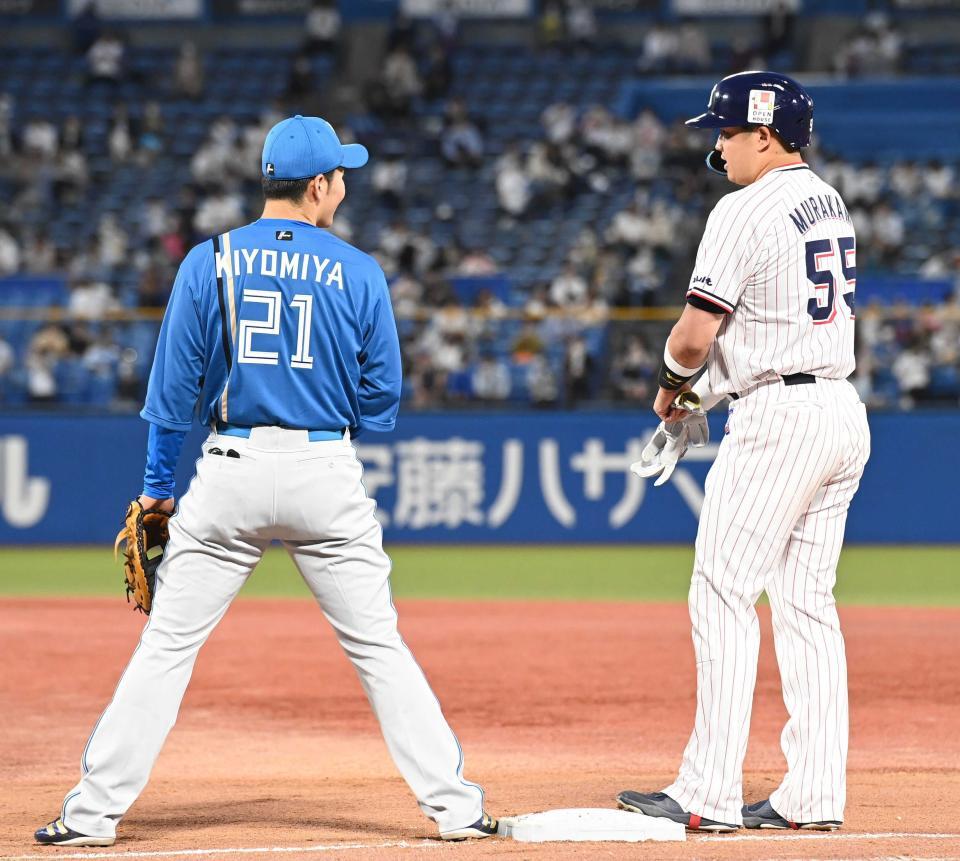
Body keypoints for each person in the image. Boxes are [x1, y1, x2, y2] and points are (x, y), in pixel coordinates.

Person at [35, 115, 497, 847]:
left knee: (166, 648)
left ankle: (90, 815)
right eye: (340, 176)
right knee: (378, 647)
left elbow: (171, 394)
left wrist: (158, 489)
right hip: (324, 469)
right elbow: (381, 406)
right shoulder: (360, 270)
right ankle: (456, 809)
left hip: (230, 470)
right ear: (318, 186)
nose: (343, 187)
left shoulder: (207, 261)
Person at [617, 72, 870, 833]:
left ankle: (708, 791)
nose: (716, 144)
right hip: (838, 409)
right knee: (806, 606)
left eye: (725, 132)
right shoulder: (830, 200)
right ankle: (814, 792)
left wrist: (673, 387)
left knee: (722, 591)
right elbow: (775, 322)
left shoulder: (743, 207)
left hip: (780, 418)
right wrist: (706, 396)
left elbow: (696, 334)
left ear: (763, 134)